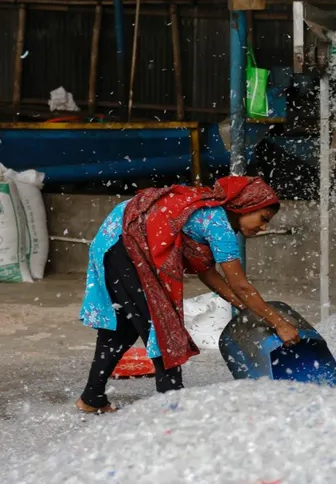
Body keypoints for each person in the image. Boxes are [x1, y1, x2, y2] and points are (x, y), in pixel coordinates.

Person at [76, 175, 300, 414]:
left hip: (115, 238)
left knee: (124, 327)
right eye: (263, 218)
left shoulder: (211, 215)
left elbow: (208, 274)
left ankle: (93, 397)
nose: (264, 226)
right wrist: (278, 323)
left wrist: (246, 308)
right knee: (162, 326)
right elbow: (241, 285)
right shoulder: (218, 223)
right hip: (126, 240)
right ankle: (173, 406)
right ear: (244, 206)